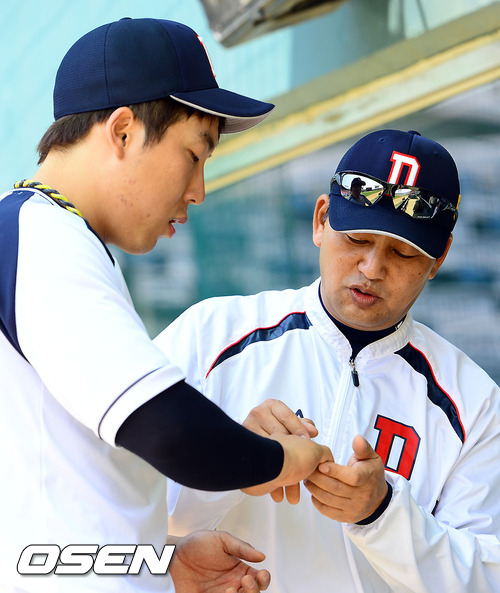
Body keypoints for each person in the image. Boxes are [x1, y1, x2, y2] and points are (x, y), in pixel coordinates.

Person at [0, 17, 333, 593]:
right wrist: (287, 459)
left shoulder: (36, 235)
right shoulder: (43, 236)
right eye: (194, 155)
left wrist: (160, 562)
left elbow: (52, 514)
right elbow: (172, 433)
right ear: (123, 132)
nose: (198, 190)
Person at [156, 129, 500, 592]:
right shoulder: (211, 335)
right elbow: (110, 496)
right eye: (357, 238)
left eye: (403, 251)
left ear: (438, 259)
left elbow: (487, 577)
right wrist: (233, 459)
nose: (372, 268)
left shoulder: (474, 404)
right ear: (321, 220)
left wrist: (381, 514)